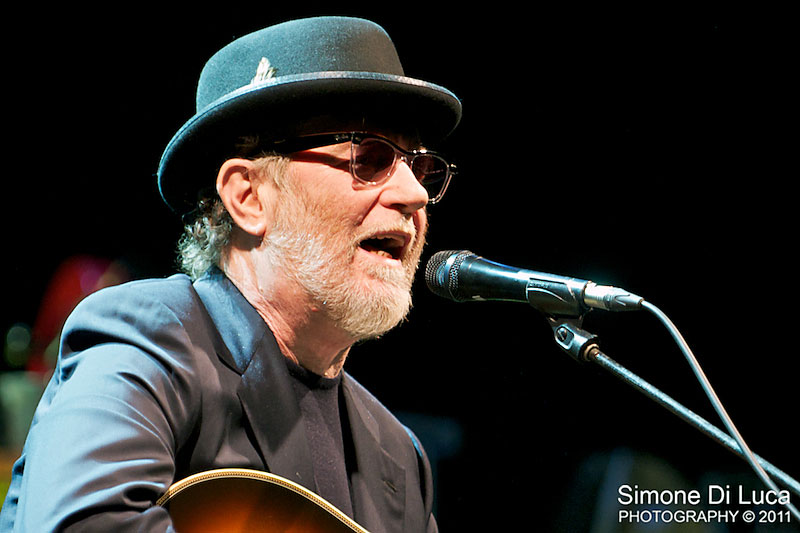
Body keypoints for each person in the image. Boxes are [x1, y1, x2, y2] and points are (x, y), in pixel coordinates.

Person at [0, 16, 461, 532]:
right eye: (369, 158)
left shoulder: (398, 457)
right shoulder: (150, 340)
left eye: (419, 167)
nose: (415, 194)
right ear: (249, 197)